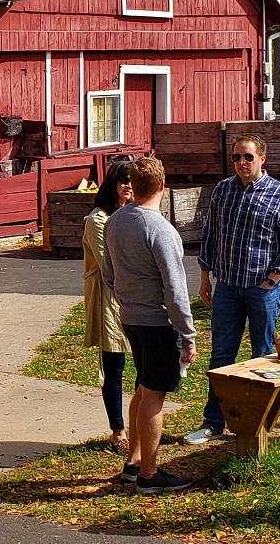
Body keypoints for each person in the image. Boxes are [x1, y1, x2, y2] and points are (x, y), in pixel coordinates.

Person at [185, 135, 280, 445]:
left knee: (262, 357)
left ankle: (258, 422)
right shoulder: (223, 191)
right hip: (226, 288)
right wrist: (204, 278)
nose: (241, 163)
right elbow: (210, 235)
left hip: (262, 290)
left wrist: (274, 278)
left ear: (263, 159)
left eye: (248, 157)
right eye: (237, 157)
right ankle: (213, 422)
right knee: (221, 357)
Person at [99, 157, 199, 494]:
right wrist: (187, 333)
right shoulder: (160, 229)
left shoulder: (114, 221)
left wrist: (129, 299)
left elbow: (108, 274)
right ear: (161, 186)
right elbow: (175, 288)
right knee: (154, 395)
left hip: (130, 318)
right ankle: (149, 473)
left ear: (133, 184)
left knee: (143, 388)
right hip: (157, 323)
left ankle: (133, 462)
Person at [81, 160, 135, 454]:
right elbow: (110, 265)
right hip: (110, 298)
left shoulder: (132, 214)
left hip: (134, 297)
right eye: (123, 180)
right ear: (112, 184)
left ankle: (138, 425)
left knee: (142, 364)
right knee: (114, 366)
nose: (128, 185)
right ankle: (118, 431)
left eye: (132, 180)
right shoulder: (98, 220)